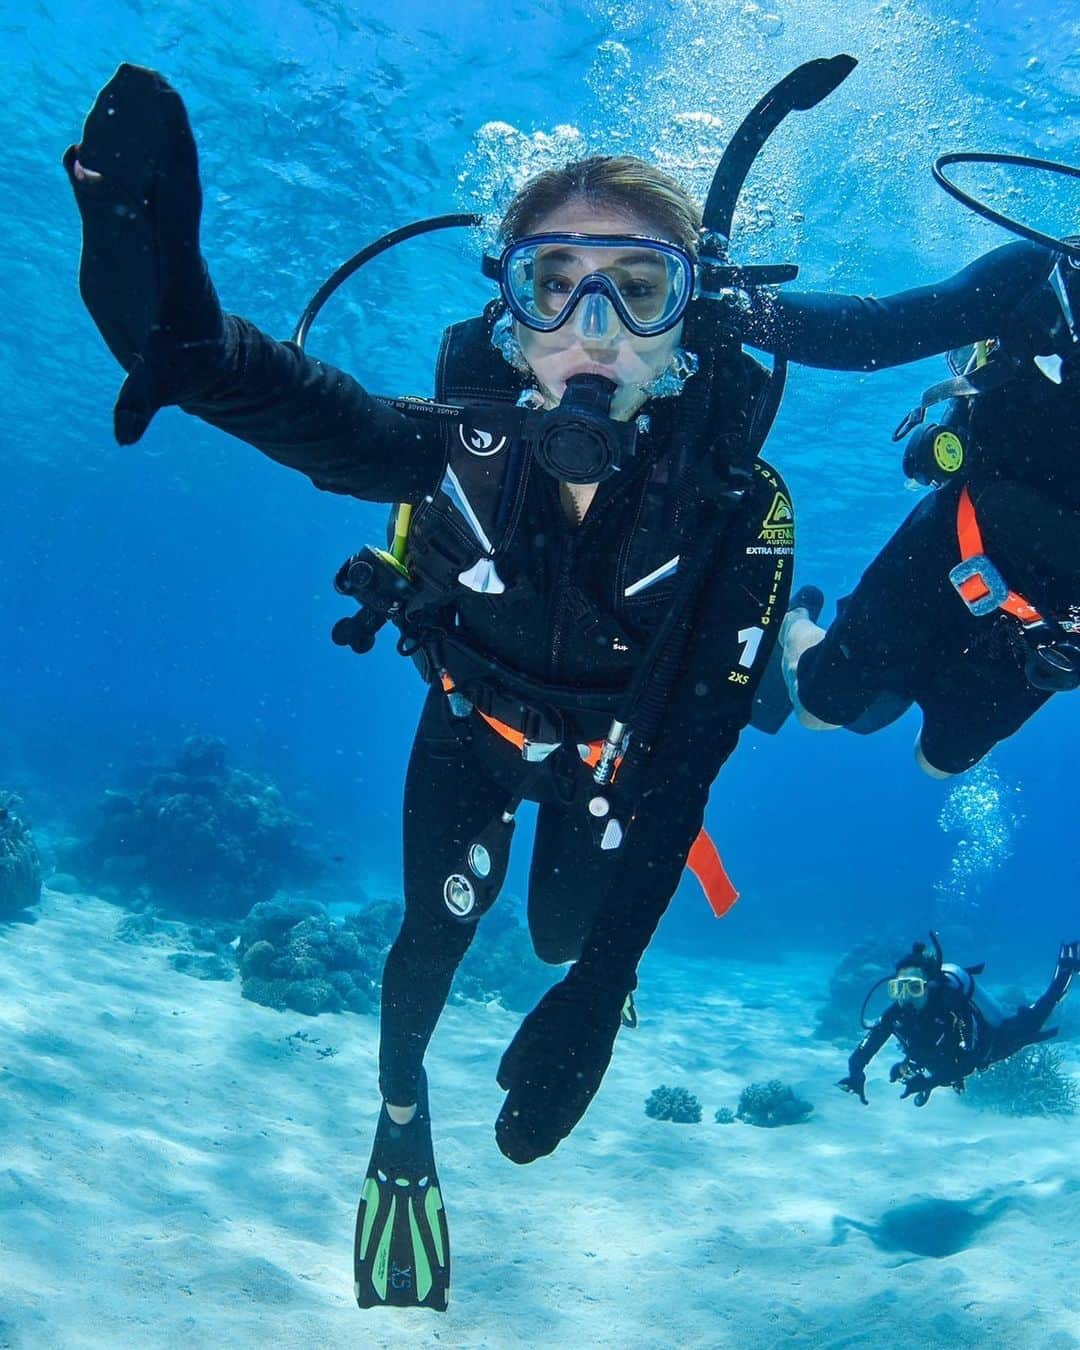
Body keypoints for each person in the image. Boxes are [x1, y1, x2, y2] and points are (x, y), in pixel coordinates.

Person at [65, 57, 856, 1309]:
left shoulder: (739, 509)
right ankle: (395, 1132)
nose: (592, 330)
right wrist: (195, 347)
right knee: (429, 941)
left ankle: (795, 656)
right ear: (511, 314)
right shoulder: (456, 446)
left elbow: (691, 765)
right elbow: (313, 410)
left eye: (637, 291)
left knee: (560, 933)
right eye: (555, 285)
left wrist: (599, 990)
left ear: (688, 326)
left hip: (618, 772)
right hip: (471, 737)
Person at [739, 215, 1080, 775]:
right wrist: (725, 309)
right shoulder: (1044, 280)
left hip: (1052, 625)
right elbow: (878, 331)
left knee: (939, 763)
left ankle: (900, 675)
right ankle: (797, 625)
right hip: (958, 544)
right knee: (821, 709)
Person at [838, 933, 1079, 1107]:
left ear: (930, 987)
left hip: (992, 1044)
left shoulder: (951, 1006)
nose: (904, 997)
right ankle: (918, 1069)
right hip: (934, 1055)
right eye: (898, 988)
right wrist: (856, 1074)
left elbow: (969, 1062)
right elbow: (864, 1050)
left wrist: (929, 1082)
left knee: (1035, 1019)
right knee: (916, 1059)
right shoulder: (896, 1014)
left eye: (913, 987)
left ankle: (1066, 968)